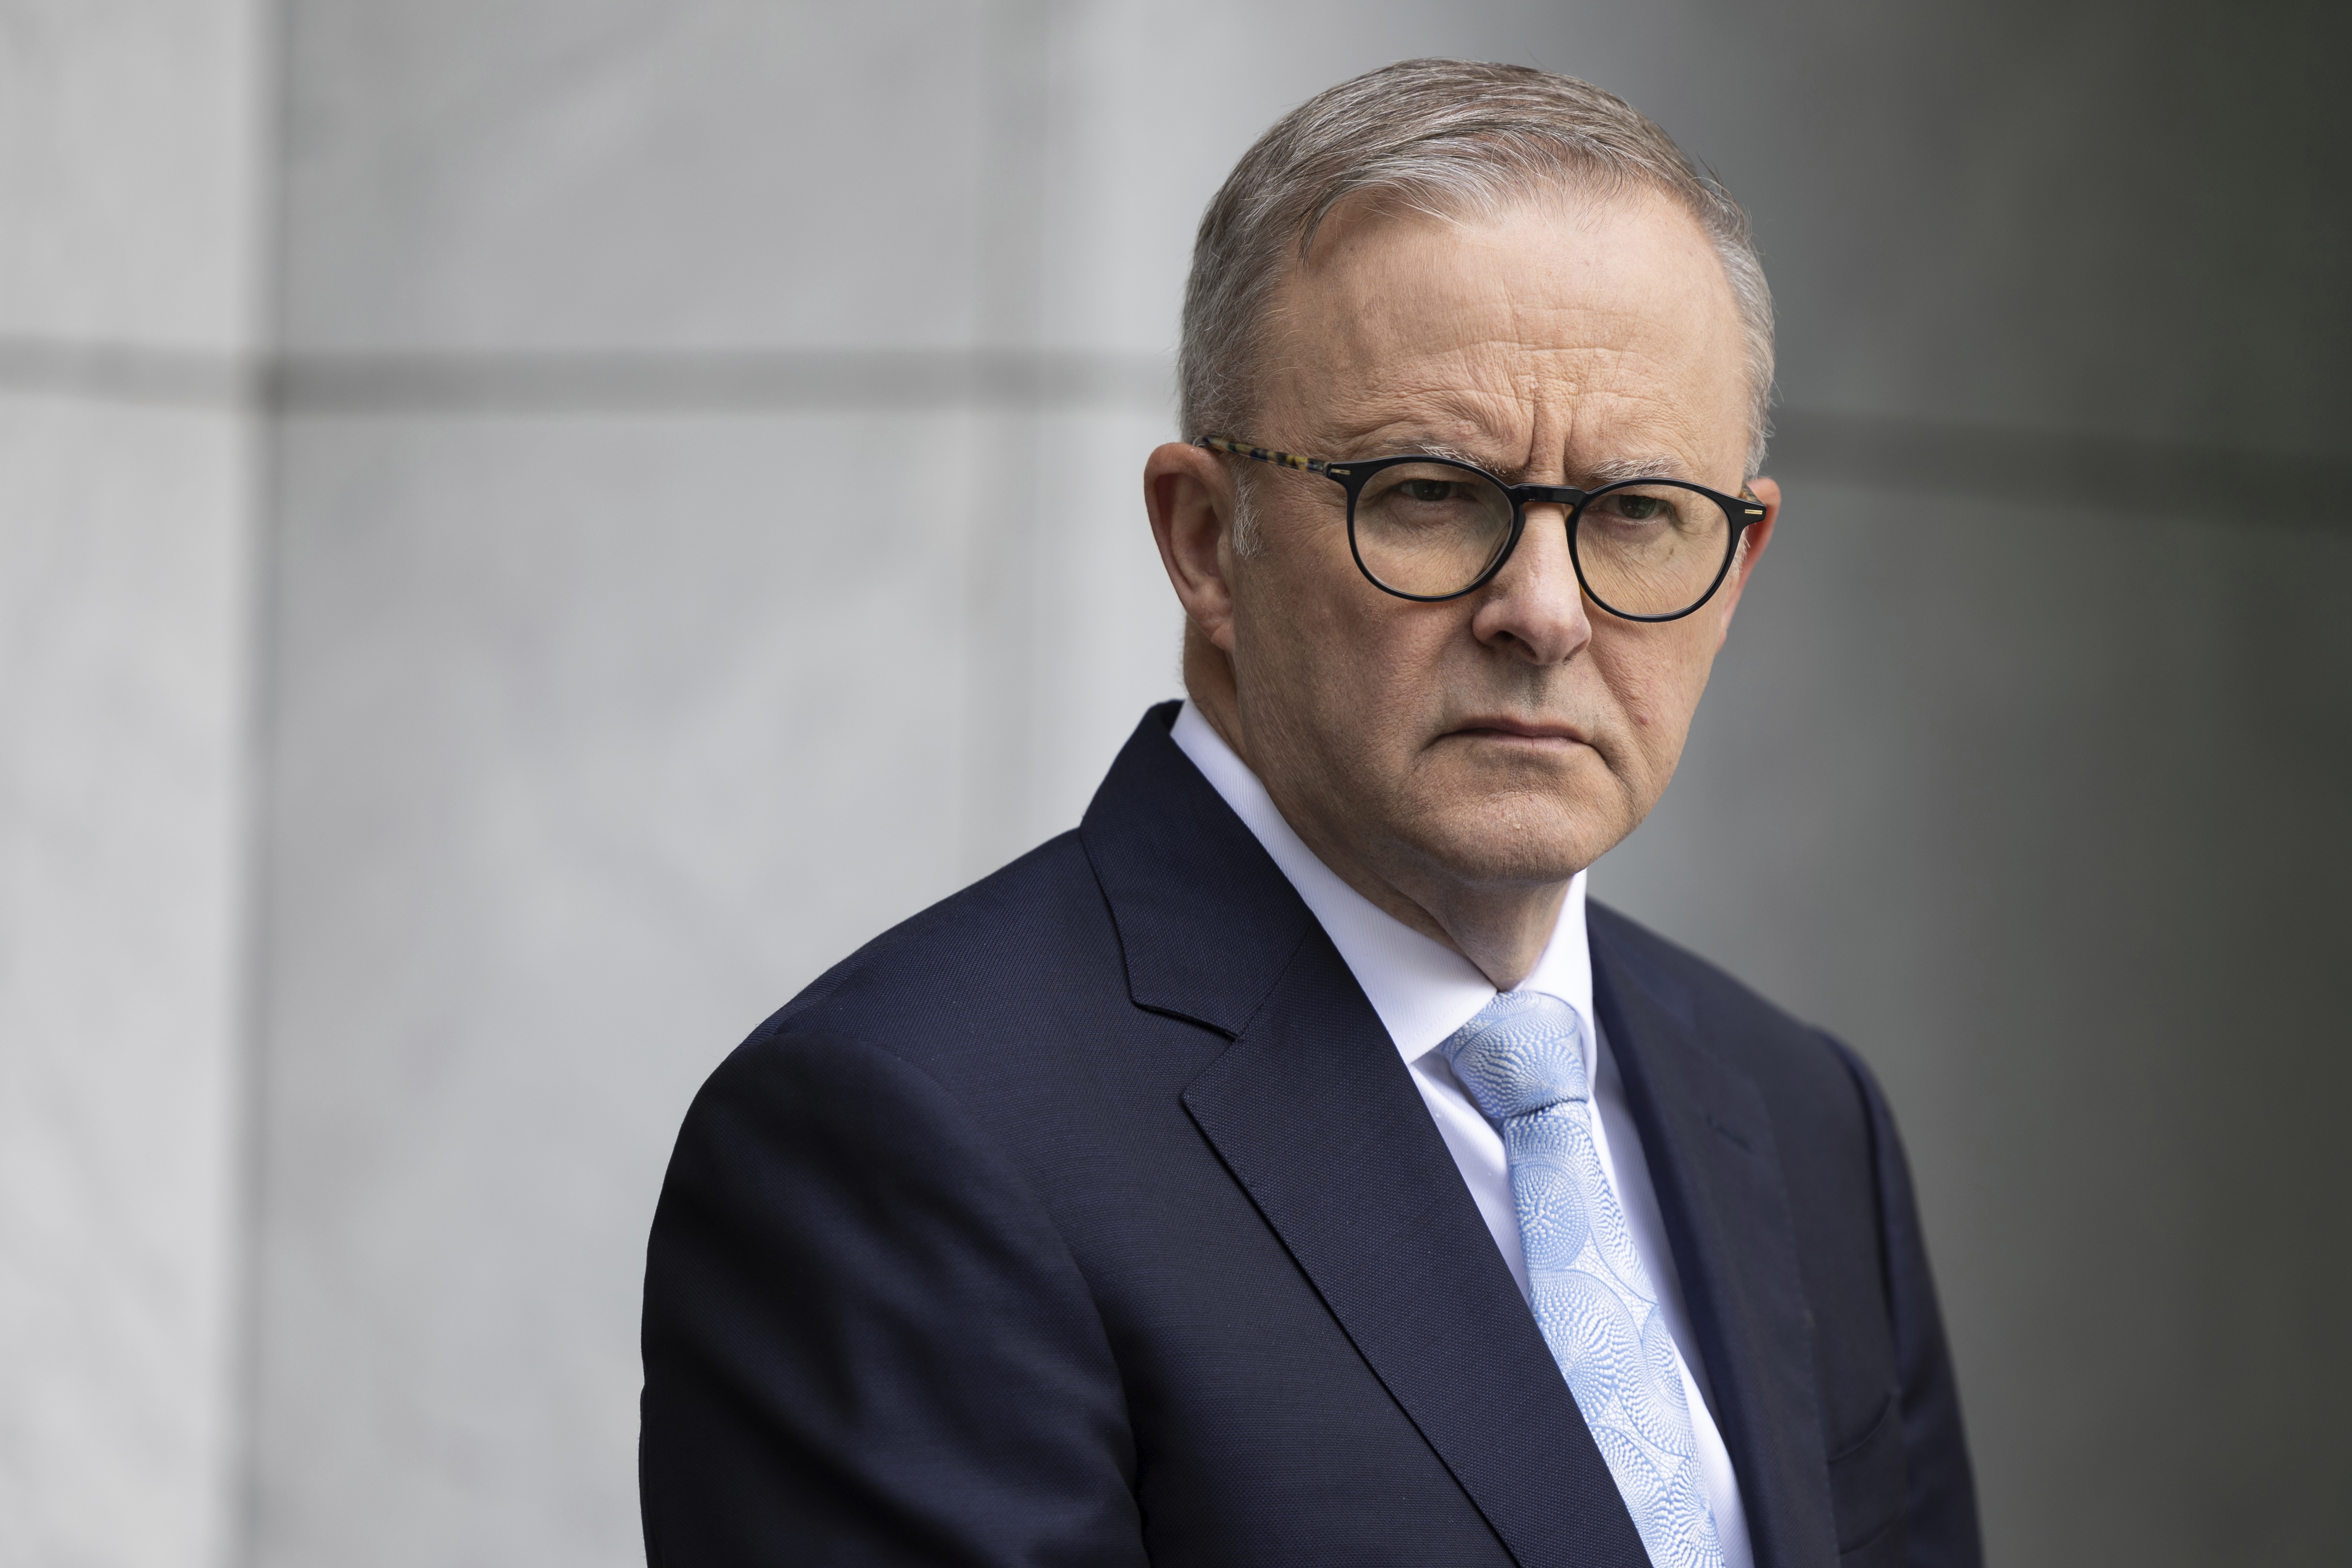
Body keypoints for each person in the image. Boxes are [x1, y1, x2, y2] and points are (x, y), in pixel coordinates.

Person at [639, 59, 1978, 1568]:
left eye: (1637, 512)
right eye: (1428, 493)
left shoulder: (1803, 1118)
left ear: (1739, 564)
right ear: (1209, 541)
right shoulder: (904, 1136)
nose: (1544, 612)